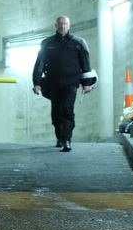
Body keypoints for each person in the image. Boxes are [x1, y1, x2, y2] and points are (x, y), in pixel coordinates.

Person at [31, 16, 95, 152]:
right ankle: (59, 137)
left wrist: (87, 83)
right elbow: (40, 64)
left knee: (67, 109)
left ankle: (66, 140)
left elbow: (85, 64)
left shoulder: (78, 43)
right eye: (60, 24)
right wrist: (37, 83)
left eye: (65, 24)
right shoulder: (47, 43)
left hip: (71, 83)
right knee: (56, 111)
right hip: (52, 83)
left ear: (69, 25)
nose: (62, 26)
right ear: (56, 25)